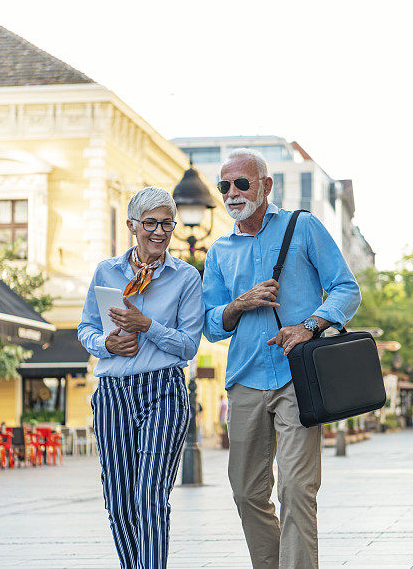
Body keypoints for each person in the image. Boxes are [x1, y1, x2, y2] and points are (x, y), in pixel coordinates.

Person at [202, 148, 361, 569]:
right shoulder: (218, 251)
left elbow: (347, 289)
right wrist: (239, 303)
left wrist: (309, 324)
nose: (232, 193)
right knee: (247, 492)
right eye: (224, 186)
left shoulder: (302, 226)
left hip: (297, 378)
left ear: (266, 185)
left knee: (296, 487)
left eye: (241, 183)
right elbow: (212, 324)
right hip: (245, 380)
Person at [78, 187, 203, 568]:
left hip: (163, 389)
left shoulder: (185, 278)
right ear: (132, 225)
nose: (160, 232)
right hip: (113, 392)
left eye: (168, 224)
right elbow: (85, 328)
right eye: (151, 223)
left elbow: (188, 345)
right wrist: (106, 344)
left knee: (149, 496)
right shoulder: (106, 271)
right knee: (118, 501)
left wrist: (147, 325)